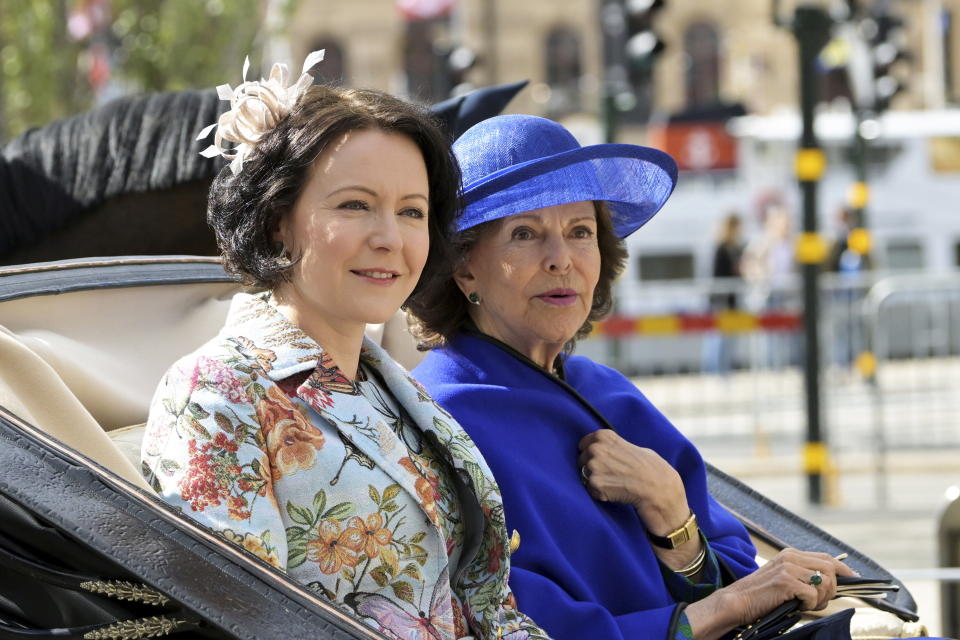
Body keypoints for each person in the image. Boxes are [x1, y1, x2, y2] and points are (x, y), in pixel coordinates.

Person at [141, 54, 550, 640]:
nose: (389, 239)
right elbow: (234, 620)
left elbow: (484, 607)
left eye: (412, 212)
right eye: (355, 205)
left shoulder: (395, 389)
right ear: (278, 219)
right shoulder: (215, 390)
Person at [407, 115, 855, 640]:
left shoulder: (608, 392)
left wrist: (671, 515)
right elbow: (510, 623)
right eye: (524, 234)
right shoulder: (441, 417)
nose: (561, 260)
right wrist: (729, 604)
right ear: (463, 267)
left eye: (581, 232)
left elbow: (730, 568)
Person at [703, 212, 744, 374]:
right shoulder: (721, 249)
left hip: (731, 299)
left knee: (727, 339)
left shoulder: (735, 248)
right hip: (721, 301)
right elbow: (718, 275)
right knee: (717, 339)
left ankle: (724, 371)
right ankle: (714, 371)